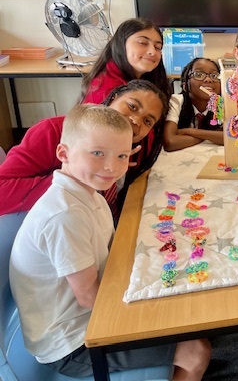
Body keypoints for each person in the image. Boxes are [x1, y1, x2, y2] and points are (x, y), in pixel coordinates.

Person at [9, 104, 211, 380]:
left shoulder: (89, 192)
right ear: (63, 153)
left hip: (85, 316)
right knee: (195, 349)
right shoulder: (64, 215)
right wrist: (153, 311)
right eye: (97, 153)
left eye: (121, 156)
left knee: (182, 297)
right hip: (72, 344)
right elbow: (91, 298)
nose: (111, 167)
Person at [0, 80, 168, 218]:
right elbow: (2, 192)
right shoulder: (52, 131)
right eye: (132, 106)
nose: (136, 120)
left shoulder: (133, 148)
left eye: (148, 121)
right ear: (113, 98)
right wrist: (80, 177)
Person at [79, 17, 172, 104]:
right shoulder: (109, 93)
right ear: (121, 45)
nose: (152, 52)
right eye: (142, 43)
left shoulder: (147, 79)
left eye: (158, 47)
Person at [163, 57, 225, 151]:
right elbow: (170, 142)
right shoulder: (176, 101)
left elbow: (235, 138)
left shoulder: (221, 104)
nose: (208, 79)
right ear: (185, 85)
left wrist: (189, 132)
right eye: (199, 74)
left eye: (214, 76)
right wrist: (214, 135)